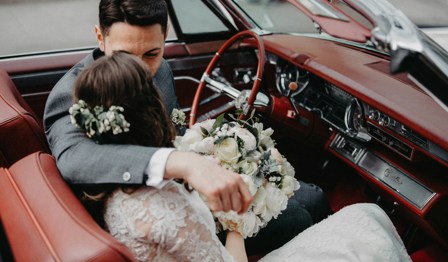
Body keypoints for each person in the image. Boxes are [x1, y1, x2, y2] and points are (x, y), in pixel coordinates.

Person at [43, 0, 330, 255]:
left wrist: (214, 151)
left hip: (188, 191)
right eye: (125, 55)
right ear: (100, 38)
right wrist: (181, 163)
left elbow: (173, 136)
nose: (143, 71)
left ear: (165, 37)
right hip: (159, 212)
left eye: (152, 54)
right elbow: (74, 159)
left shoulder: (163, 71)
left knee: (312, 194)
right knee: (302, 215)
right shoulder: (71, 94)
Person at [72, 52, 411, 262]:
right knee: (367, 217)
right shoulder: (168, 207)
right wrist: (238, 220)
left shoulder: (110, 182)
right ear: (151, 112)